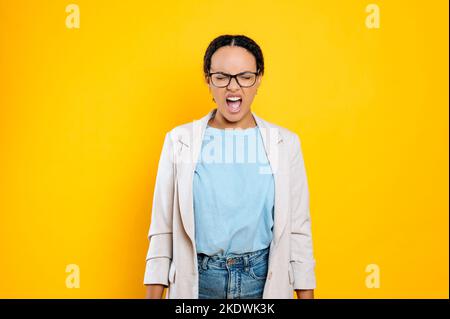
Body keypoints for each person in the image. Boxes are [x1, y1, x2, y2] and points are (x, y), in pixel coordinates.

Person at [144, 34, 316, 299]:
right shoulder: (179, 141)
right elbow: (163, 227)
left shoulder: (285, 143)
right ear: (208, 80)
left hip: (262, 282)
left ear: (258, 79)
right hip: (199, 283)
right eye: (221, 77)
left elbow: (298, 229)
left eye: (245, 76)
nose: (233, 87)